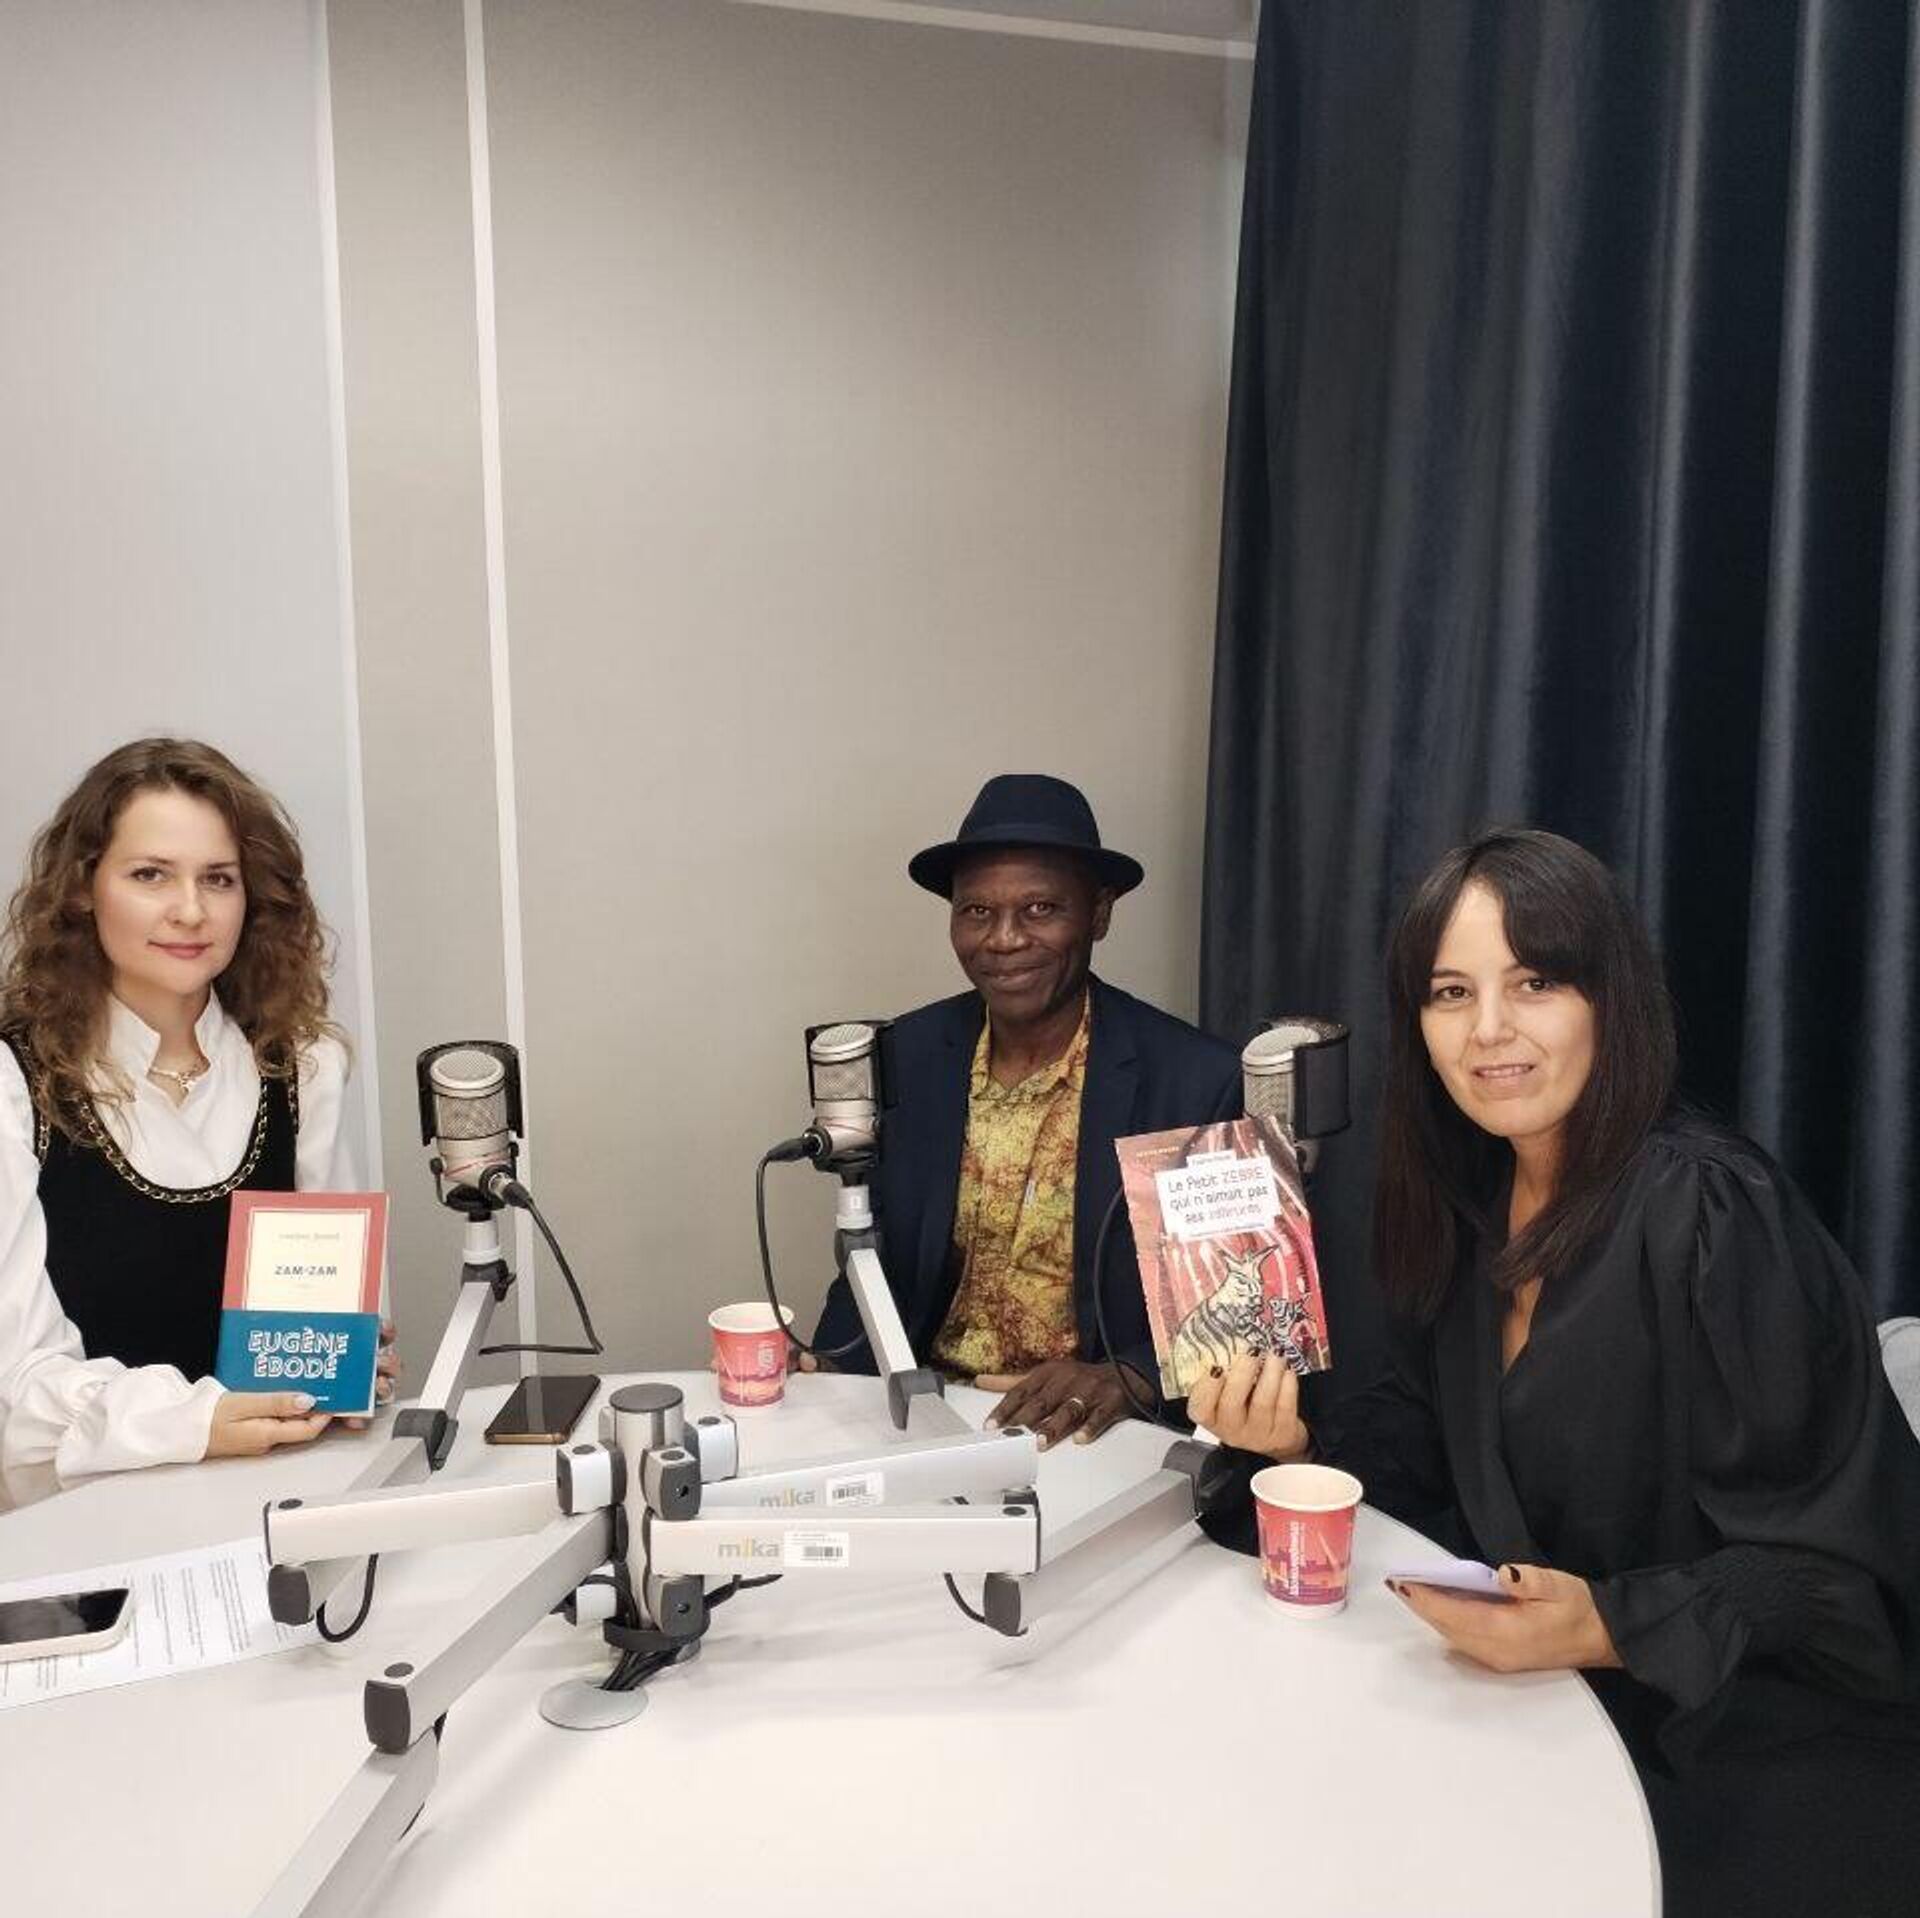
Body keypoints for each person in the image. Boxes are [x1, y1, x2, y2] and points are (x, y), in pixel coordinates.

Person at [1191, 828, 1920, 1917]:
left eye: (1536, 981)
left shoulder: (1713, 1213)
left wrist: (1612, 1623)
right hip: (1553, 1715)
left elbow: (1840, 1575)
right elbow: (1425, 1437)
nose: (1490, 1029)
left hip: (1763, 1757)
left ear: (1610, 998)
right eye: (1451, 992)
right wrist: (1293, 1449)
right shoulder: (1472, 1202)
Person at [0, 738, 397, 1485]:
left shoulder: (303, 1067)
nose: (190, 911)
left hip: (281, 1497)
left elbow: (333, 1319)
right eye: (150, 875)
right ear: (83, 888)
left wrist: (348, 1366)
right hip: (87, 1525)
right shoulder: (12, 1084)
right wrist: (195, 1422)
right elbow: (16, 1389)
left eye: (218, 879)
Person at [811, 774, 1240, 1447]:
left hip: (1093, 1430)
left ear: (1099, 914)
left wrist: (1130, 1376)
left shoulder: (1195, 1083)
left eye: (1040, 909)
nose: (1004, 939)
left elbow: (1241, 1314)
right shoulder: (907, 1057)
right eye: (977, 911)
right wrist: (825, 1375)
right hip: (927, 1416)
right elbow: (873, 1259)